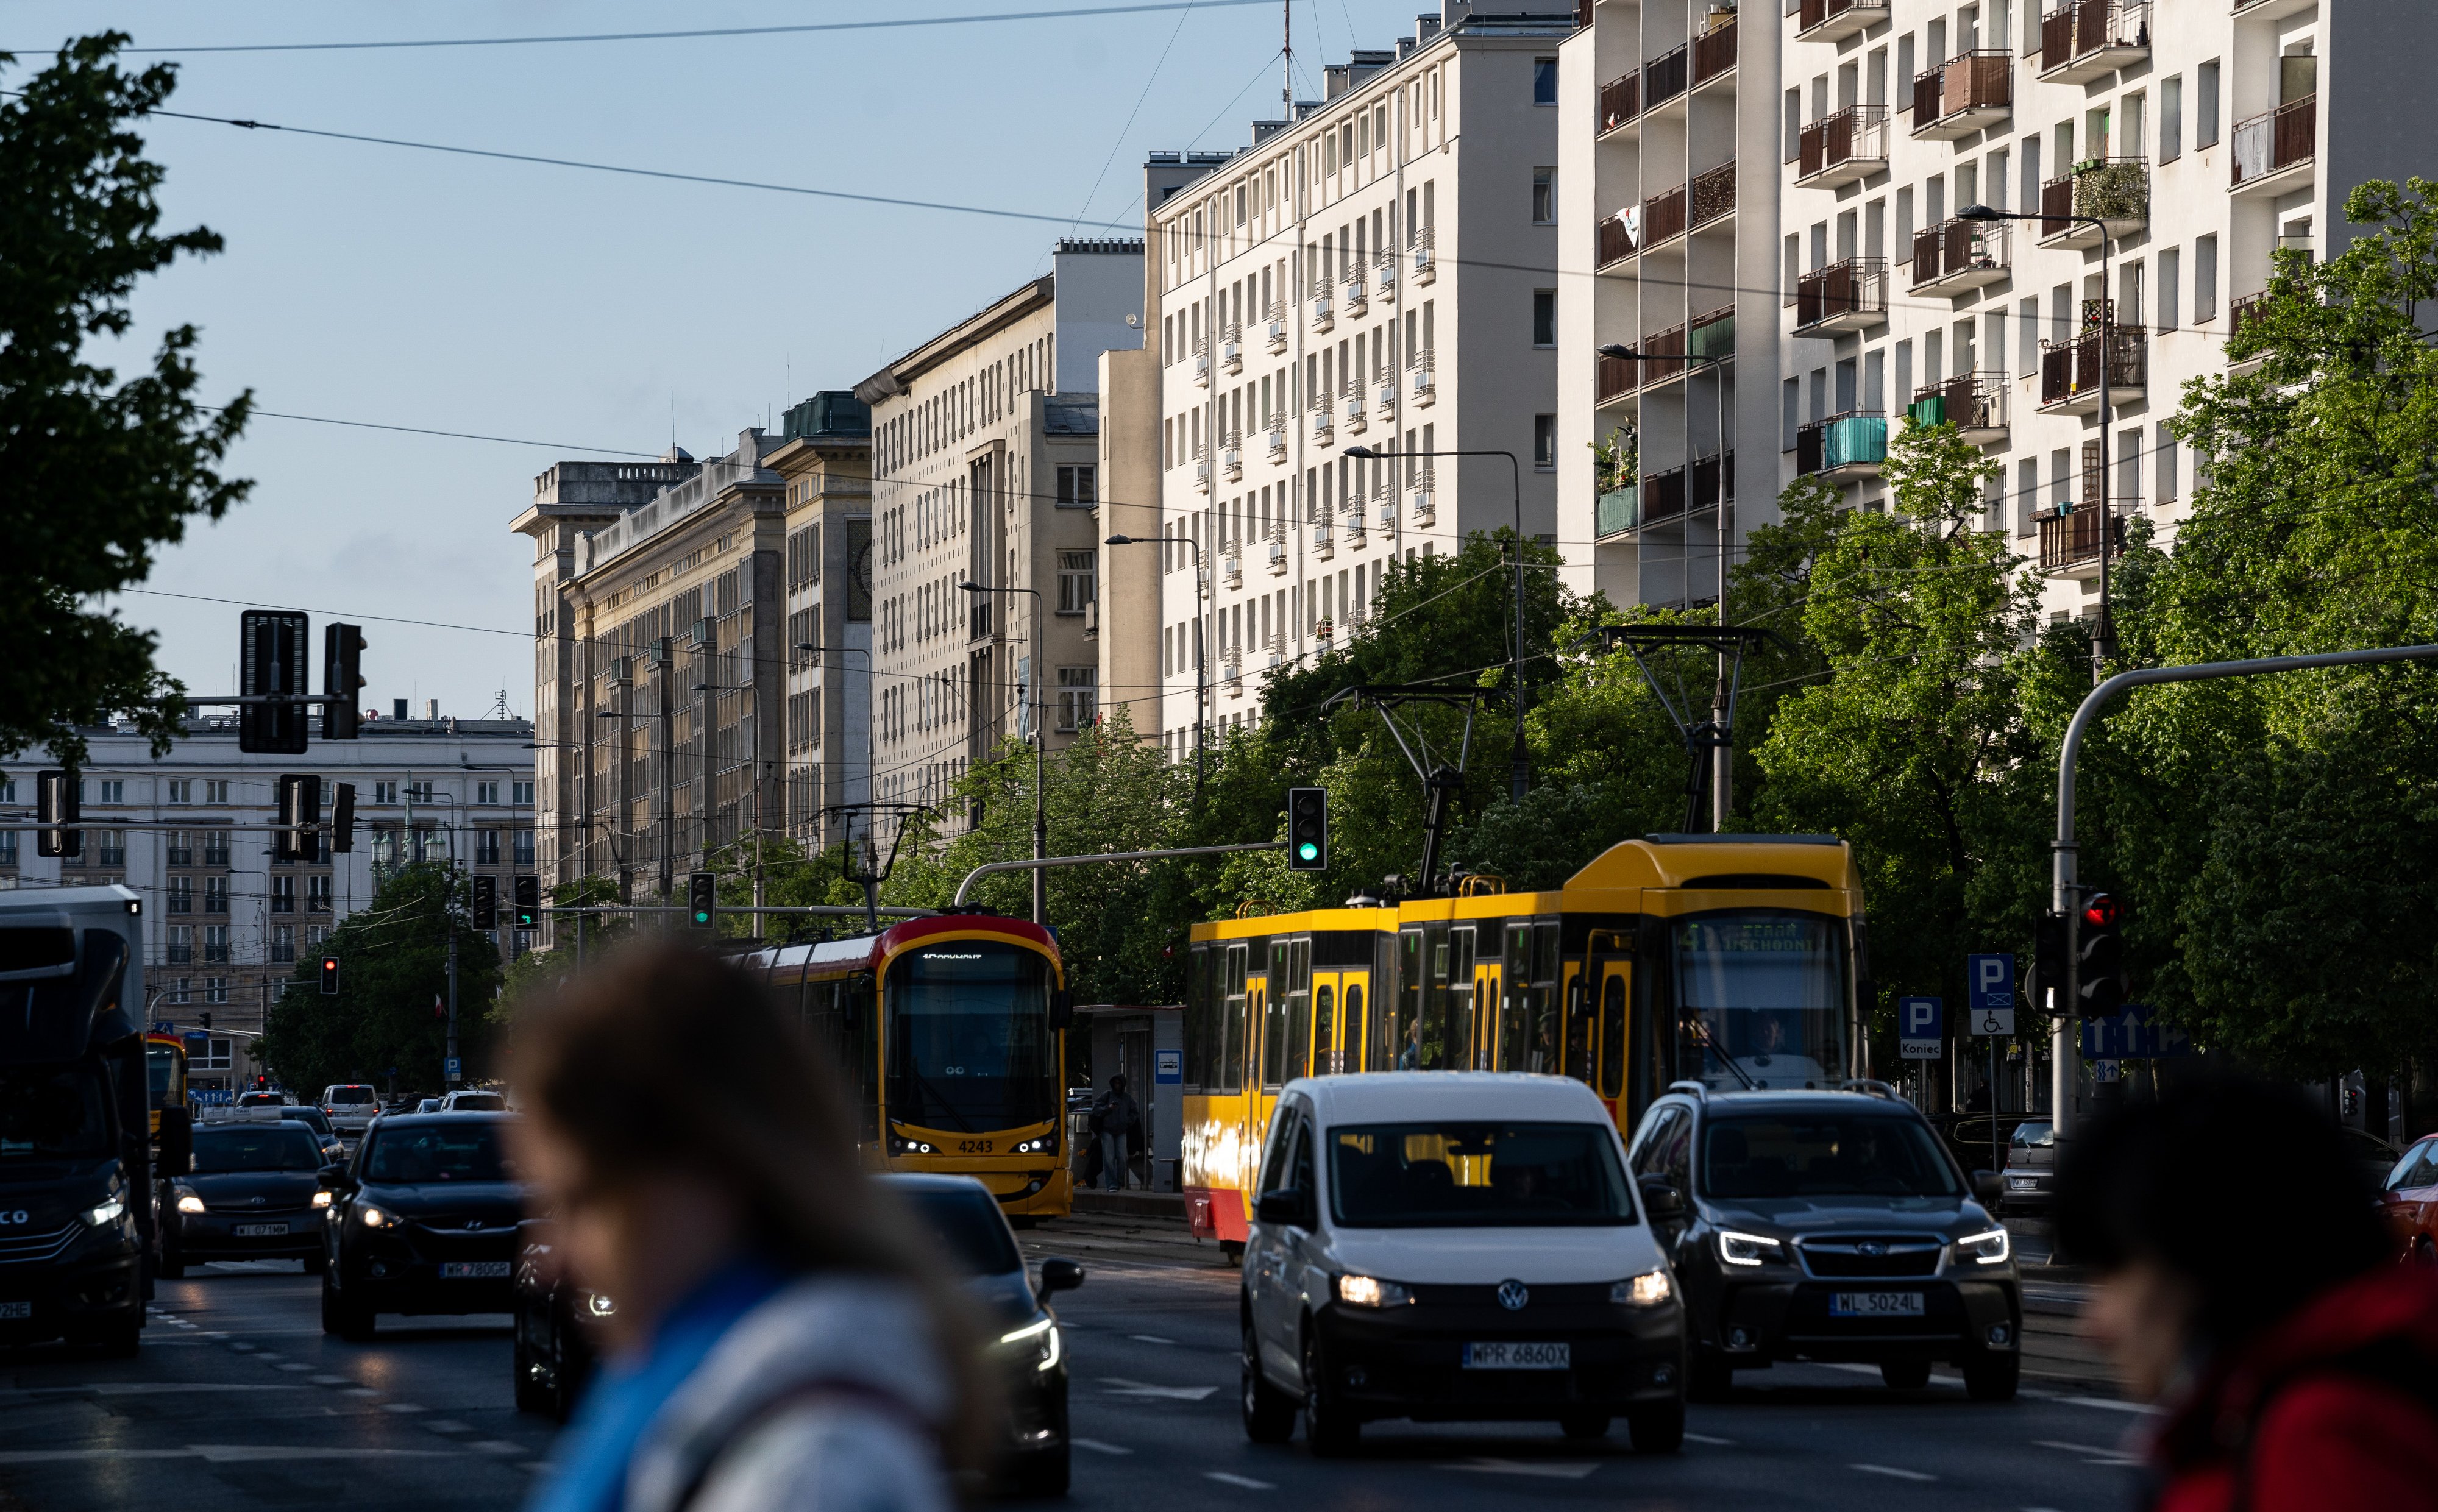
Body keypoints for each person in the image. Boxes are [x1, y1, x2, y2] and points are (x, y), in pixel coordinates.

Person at [511, 941, 988, 1512]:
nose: (551, 1260)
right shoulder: (717, 1405)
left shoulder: (813, 1474)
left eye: (584, 1199)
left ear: (710, 1164)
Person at [2056, 1078, 2438, 1512]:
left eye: (2112, 1274)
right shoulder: (2323, 1397)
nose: (2092, 1325)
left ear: (2206, 1259)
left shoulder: (2319, 1436)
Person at [1093, 1074, 1140, 1193]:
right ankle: (1112, 1185)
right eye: (1116, 1084)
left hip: (1121, 1131)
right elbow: (1096, 1109)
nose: (1117, 1086)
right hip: (1107, 1130)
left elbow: (1135, 1112)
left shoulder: (1128, 1098)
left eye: (1119, 1084)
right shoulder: (1107, 1095)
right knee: (1108, 1158)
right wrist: (1108, 1109)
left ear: (1123, 1085)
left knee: (1122, 1158)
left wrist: (1127, 1122)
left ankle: (1118, 1180)